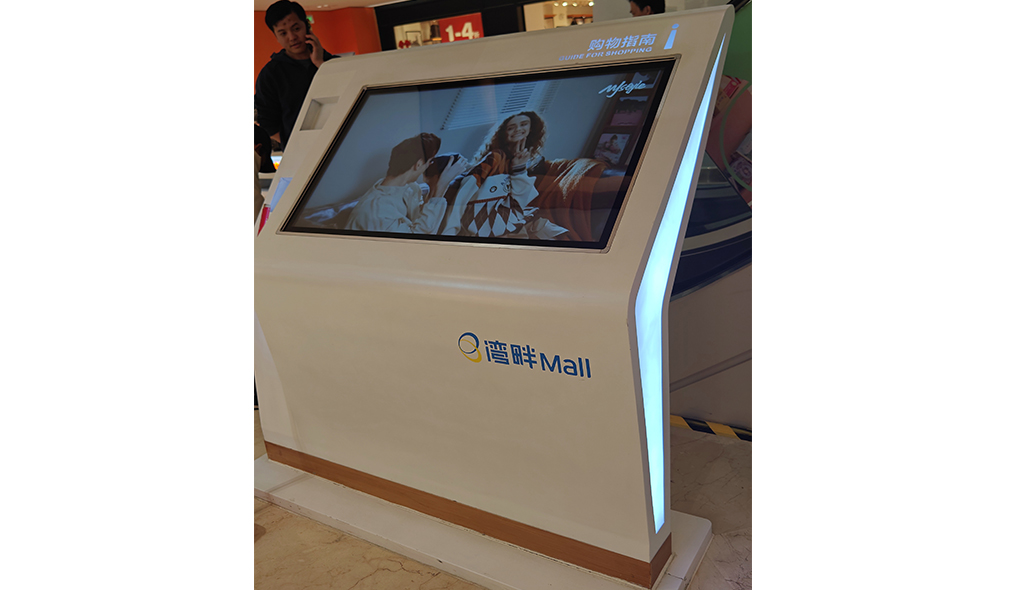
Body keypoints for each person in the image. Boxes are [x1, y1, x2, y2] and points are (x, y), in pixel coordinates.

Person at [345, 133, 468, 234]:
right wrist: (442, 185)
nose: (430, 166)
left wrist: (433, 186)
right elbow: (417, 239)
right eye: (430, 161)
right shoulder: (377, 212)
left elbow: (420, 220)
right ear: (419, 164)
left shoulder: (409, 188)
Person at [255, 1, 337, 150]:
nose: (292, 37)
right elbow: (267, 122)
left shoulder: (334, 63)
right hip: (301, 152)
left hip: (343, 141)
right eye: (283, 33)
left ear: (307, 26)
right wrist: (294, 144)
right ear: (276, 36)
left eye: (296, 28)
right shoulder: (271, 74)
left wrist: (321, 64)